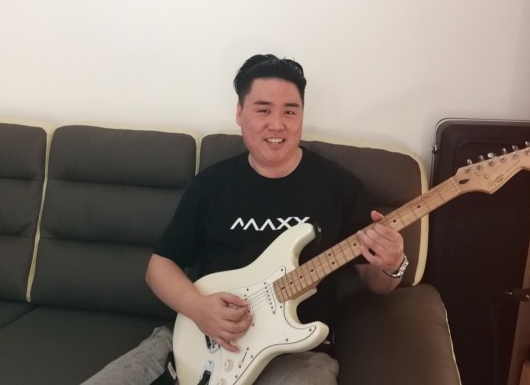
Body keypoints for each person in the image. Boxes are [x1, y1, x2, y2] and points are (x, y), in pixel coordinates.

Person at [145, 54, 406, 385]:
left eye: (290, 112)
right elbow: (159, 265)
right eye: (263, 110)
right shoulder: (211, 184)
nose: (277, 124)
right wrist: (198, 309)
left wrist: (392, 264)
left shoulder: (338, 186)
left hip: (296, 357)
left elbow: (375, 280)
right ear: (240, 113)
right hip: (200, 339)